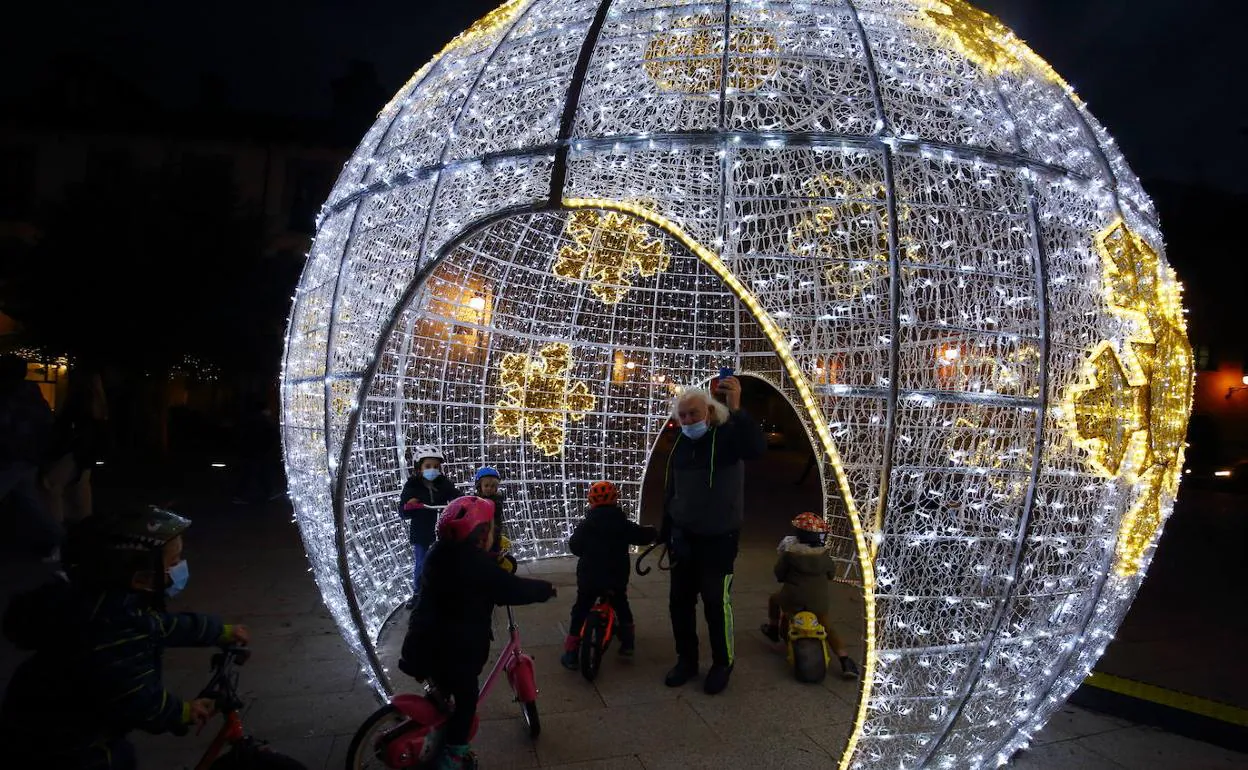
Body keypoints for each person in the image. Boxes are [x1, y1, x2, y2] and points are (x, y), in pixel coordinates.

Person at [0, 505, 250, 769]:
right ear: (139, 577)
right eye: (173, 563)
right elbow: (138, 699)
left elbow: (160, 626)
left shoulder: (104, 604)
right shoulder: (110, 631)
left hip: (45, 724)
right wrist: (182, 712)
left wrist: (217, 631)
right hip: (70, 747)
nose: (179, 568)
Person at [398, 497, 557, 770]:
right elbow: (511, 588)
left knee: (444, 692)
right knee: (466, 702)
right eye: (491, 529)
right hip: (456, 653)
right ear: (481, 534)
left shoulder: (439, 554)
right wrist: (544, 589)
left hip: (424, 644)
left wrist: (491, 559)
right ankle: (454, 756)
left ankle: (435, 725)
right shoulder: (478, 569)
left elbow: (470, 568)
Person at [660, 375, 766, 695]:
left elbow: (755, 449)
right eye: (683, 416)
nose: (689, 420)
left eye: (694, 413)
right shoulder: (681, 444)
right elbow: (672, 490)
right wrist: (668, 532)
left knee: (715, 602)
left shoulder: (727, 436)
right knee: (679, 602)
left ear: (708, 410)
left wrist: (737, 409)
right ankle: (686, 660)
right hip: (683, 538)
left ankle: (723, 663)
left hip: (719, 539)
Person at [561, 480, 658, 668]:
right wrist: (654, 531)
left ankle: (571, 652)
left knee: (580, 609)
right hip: (616, 577)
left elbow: (575, 546)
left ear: (591, 501)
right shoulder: (623, 524)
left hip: (589, 578)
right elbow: (642, 536)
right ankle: (628, 642)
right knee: (621, 605)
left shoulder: (586, 525)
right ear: (616, 500)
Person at [759, 512, 860, 679]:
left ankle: (773, 629)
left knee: (775, 600)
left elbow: (779, 574)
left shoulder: (790, 554)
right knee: (828, 626)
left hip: (792, 598)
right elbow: (831, 575)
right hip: (818, 602)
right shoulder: (824, 555)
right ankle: (845, 660)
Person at [0, 353, 60, 559]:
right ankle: (59, 538)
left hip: (12, 457)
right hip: (28, 455)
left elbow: (5, 425)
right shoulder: (31, 392)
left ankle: (59, 539)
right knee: (30, 503)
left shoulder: (10, 393)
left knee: (30, 503)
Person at [41, 360, 110, 525]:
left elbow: (68, 425)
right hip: (85, 452)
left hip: (75, 451)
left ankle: (57, 528)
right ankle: (81, 525)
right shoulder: (99, 403)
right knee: (79, 488)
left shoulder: (80, 402)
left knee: (52, 486)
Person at [399, 445, 462, 609]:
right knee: (421, 562)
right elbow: (403, 512)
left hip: (443, 529)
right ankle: (418, 593)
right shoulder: (412, 485)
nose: (432, 470)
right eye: (428, 466)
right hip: (422, 531)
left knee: (444, 561)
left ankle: (442, 590)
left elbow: (455, 495)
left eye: (436, 466)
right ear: (419, 468)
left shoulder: (443, 483)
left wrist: (461, 502)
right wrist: (410, 506)